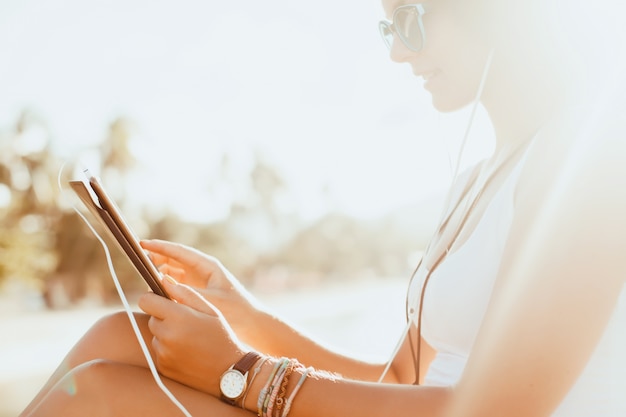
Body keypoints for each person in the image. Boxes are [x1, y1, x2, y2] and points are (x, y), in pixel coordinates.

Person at [20, 0, 626, 416]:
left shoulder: (585, 164)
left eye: (410, 20)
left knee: (98, 393)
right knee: (119, 335)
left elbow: (496, 411)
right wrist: (251, 318)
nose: (397, 54)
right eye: (387, 28)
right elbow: (397, 384)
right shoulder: (477, 179)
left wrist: (246, 371)